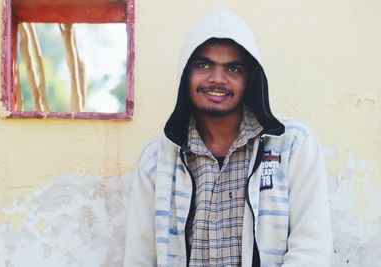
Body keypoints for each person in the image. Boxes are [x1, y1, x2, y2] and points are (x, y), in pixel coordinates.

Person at [124, 8, 332, 267]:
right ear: (185, 73)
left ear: (250, 78)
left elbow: (312, 250)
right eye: (203, 65)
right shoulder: (156, 160)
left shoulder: (293, 146)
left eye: (233, 68)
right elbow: (140, 258)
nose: (217, 79)